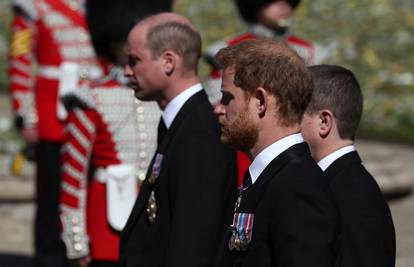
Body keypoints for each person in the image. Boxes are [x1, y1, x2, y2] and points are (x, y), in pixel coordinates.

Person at [58, 1, 172, 267]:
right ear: (112, 43)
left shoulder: (165, 96)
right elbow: (73, 175)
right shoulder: (90, 97)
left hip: (158, 222)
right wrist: (76, 239)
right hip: (107, 226)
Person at [120, 12, 238, 267]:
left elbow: (193, 247)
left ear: (168, 62)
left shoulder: (200, 135)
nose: (126, 71)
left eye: (134, 60)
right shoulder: (180, 124)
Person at [213, 38, 338, 267]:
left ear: (260, 101)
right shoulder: (268, 177)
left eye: (227, 98)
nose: (218, 108)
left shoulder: (298, 187)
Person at [8, 1, 103, 266]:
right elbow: (20, 59)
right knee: (52, 193)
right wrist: (27, 114)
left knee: (93, 188)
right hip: (53, 110)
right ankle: (49, 257)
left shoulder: (96, 7)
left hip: (94, 104)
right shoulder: (32, 7)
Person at [301, 64, 396, 267]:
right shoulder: (337, 184)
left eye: (295, 114)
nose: (287, 123)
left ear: (324, 122)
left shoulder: (353, 196)